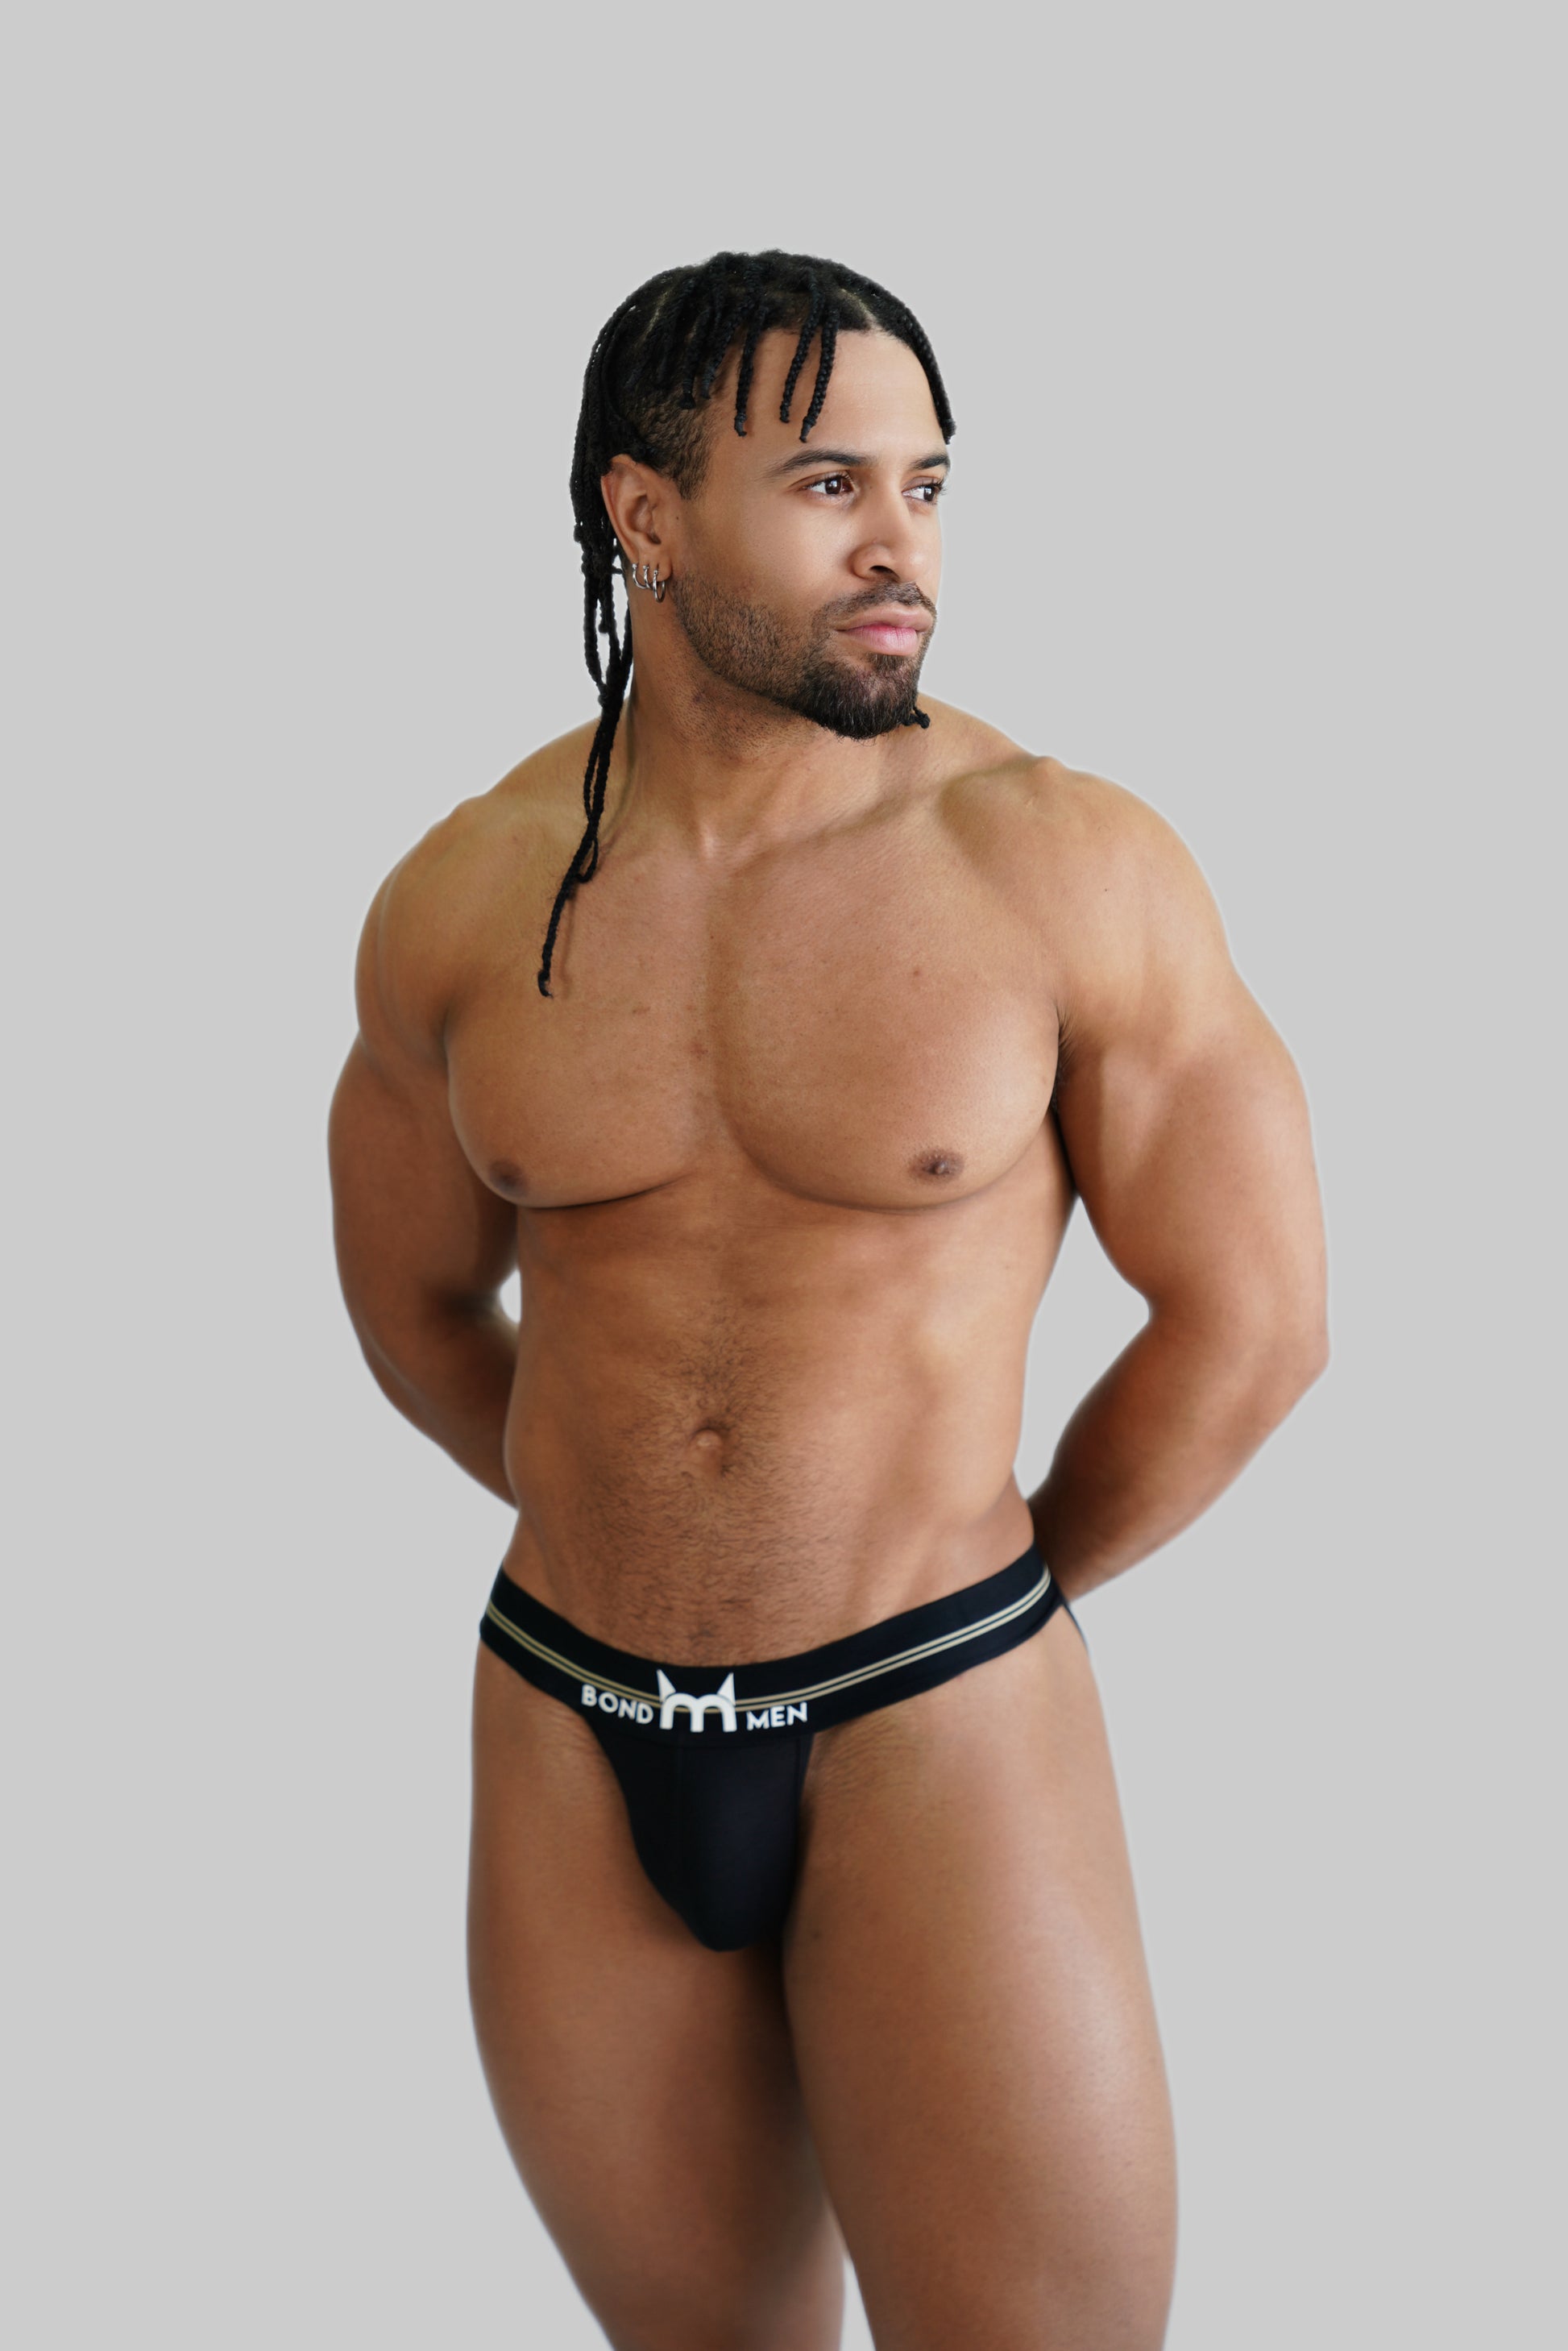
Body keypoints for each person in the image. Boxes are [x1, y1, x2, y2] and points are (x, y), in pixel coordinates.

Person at [328, 248, 1327, 2351]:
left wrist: (983, 1585)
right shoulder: (468, 893)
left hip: (932, 1714)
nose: (902, 548)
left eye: (928, 485)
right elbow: (415, 1306)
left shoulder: (1060, 862)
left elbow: (1252, 1322)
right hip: (568, 1724)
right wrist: (634, 1521)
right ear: (646, 515)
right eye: (828, 486)